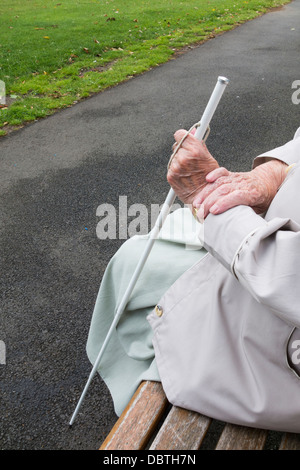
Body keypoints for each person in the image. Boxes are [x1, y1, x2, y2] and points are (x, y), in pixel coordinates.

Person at [87, 126, 300, 432]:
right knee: (134, 258)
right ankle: (135, 367)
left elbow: (286, 276)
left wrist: (207, 199)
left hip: (278, 314)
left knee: (143, 272)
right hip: (265, 226)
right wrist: (269, 177)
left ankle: (150, 390)